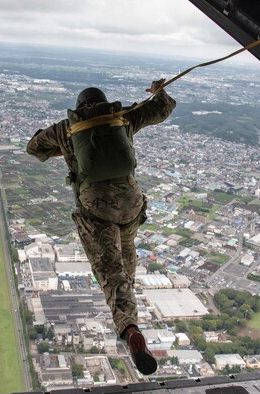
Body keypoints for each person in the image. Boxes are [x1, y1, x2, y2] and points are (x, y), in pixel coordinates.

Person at [26, 79, 175, 375]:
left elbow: (34, 148)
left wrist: (66, 149)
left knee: (109, 268)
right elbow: (163, 108)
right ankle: (128, 307)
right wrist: (159, 90)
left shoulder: (65, 128)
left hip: (97, 206)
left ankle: (129, 327)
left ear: (79, 107)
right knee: (126, 250)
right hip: (131, 201)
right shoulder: (120, 117)